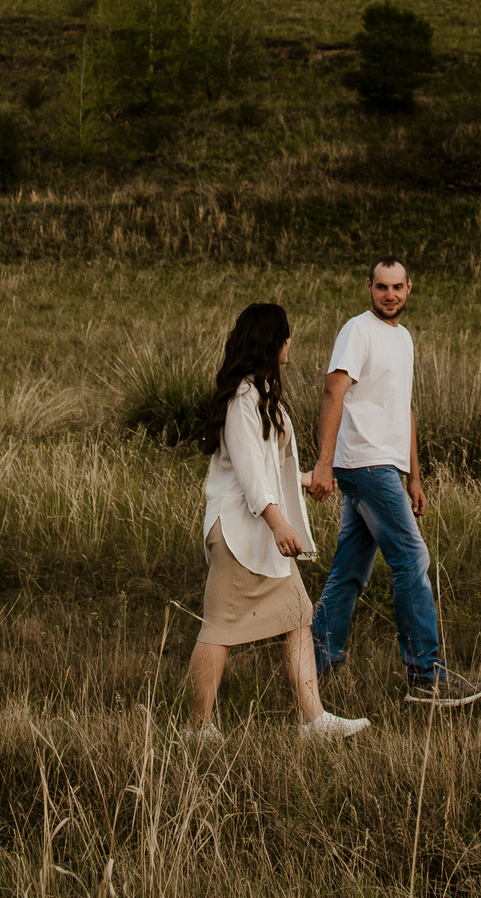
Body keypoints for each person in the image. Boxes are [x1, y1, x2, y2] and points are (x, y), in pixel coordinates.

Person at [304, 257, 481, 707]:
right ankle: (425, 675)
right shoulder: (357, 330)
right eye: (382, 287)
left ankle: (313, 664)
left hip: (385, 466)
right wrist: (324, 463)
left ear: (410, 288)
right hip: (363, 463)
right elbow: (333, 389)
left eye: (398, 287)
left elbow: (404, 410)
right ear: (369, 287)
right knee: (411, 558)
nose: (390, 295)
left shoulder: (403, 338)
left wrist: (415, 477)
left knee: (349, 569)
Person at [189, 302, 370, 742]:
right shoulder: (242, 401)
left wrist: (304, 479)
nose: (291, 343)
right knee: (220, 628)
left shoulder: (263, 393)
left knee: (297, 616)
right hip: (239, 532)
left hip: (264, 530)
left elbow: (268, 465)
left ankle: (315, 721)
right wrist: (279, 524)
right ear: (274, 342)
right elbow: (250, 476)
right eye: (287, 336)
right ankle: (198, 729)